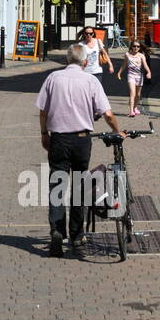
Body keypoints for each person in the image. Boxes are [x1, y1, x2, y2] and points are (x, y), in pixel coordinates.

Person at [35, 42, 125, 256]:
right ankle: (77, 236)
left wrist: (44, 134)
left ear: (67, 60)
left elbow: (43, 111)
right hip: (81, 139)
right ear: (85, 62)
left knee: (57, 186)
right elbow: (108, 114)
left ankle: (57, 230)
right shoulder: (91, 80)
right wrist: (117, 130)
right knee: (79, 186)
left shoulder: (53, 78)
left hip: (58, 139)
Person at [117, 40, 152, 117]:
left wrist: (149, 72)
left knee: (138, 94)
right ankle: (131, 111)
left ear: (139, 47)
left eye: (138, 46)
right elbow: (124, 65)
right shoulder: (127, 54)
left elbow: (145, 65)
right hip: (131, 76)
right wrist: (119, 73)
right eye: (134, 46)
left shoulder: (141, 56)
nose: (136, 48)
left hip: (139, 76)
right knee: (132, 93)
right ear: (131, 47)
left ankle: (135, 108)